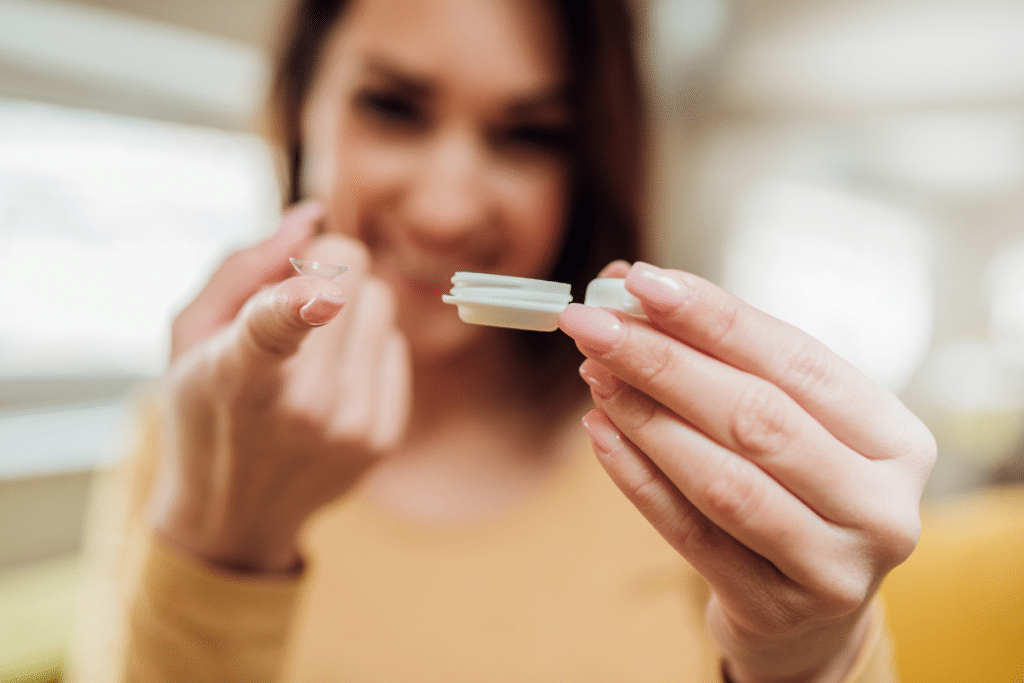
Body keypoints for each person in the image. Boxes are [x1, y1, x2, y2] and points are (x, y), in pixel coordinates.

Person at [72, 0, 936, 681]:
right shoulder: (185, 437)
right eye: (393, 108)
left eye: (528, 135)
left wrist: (813, 656)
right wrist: (216, 549)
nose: (448, 208)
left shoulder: (687, 462)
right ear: (299, 113)